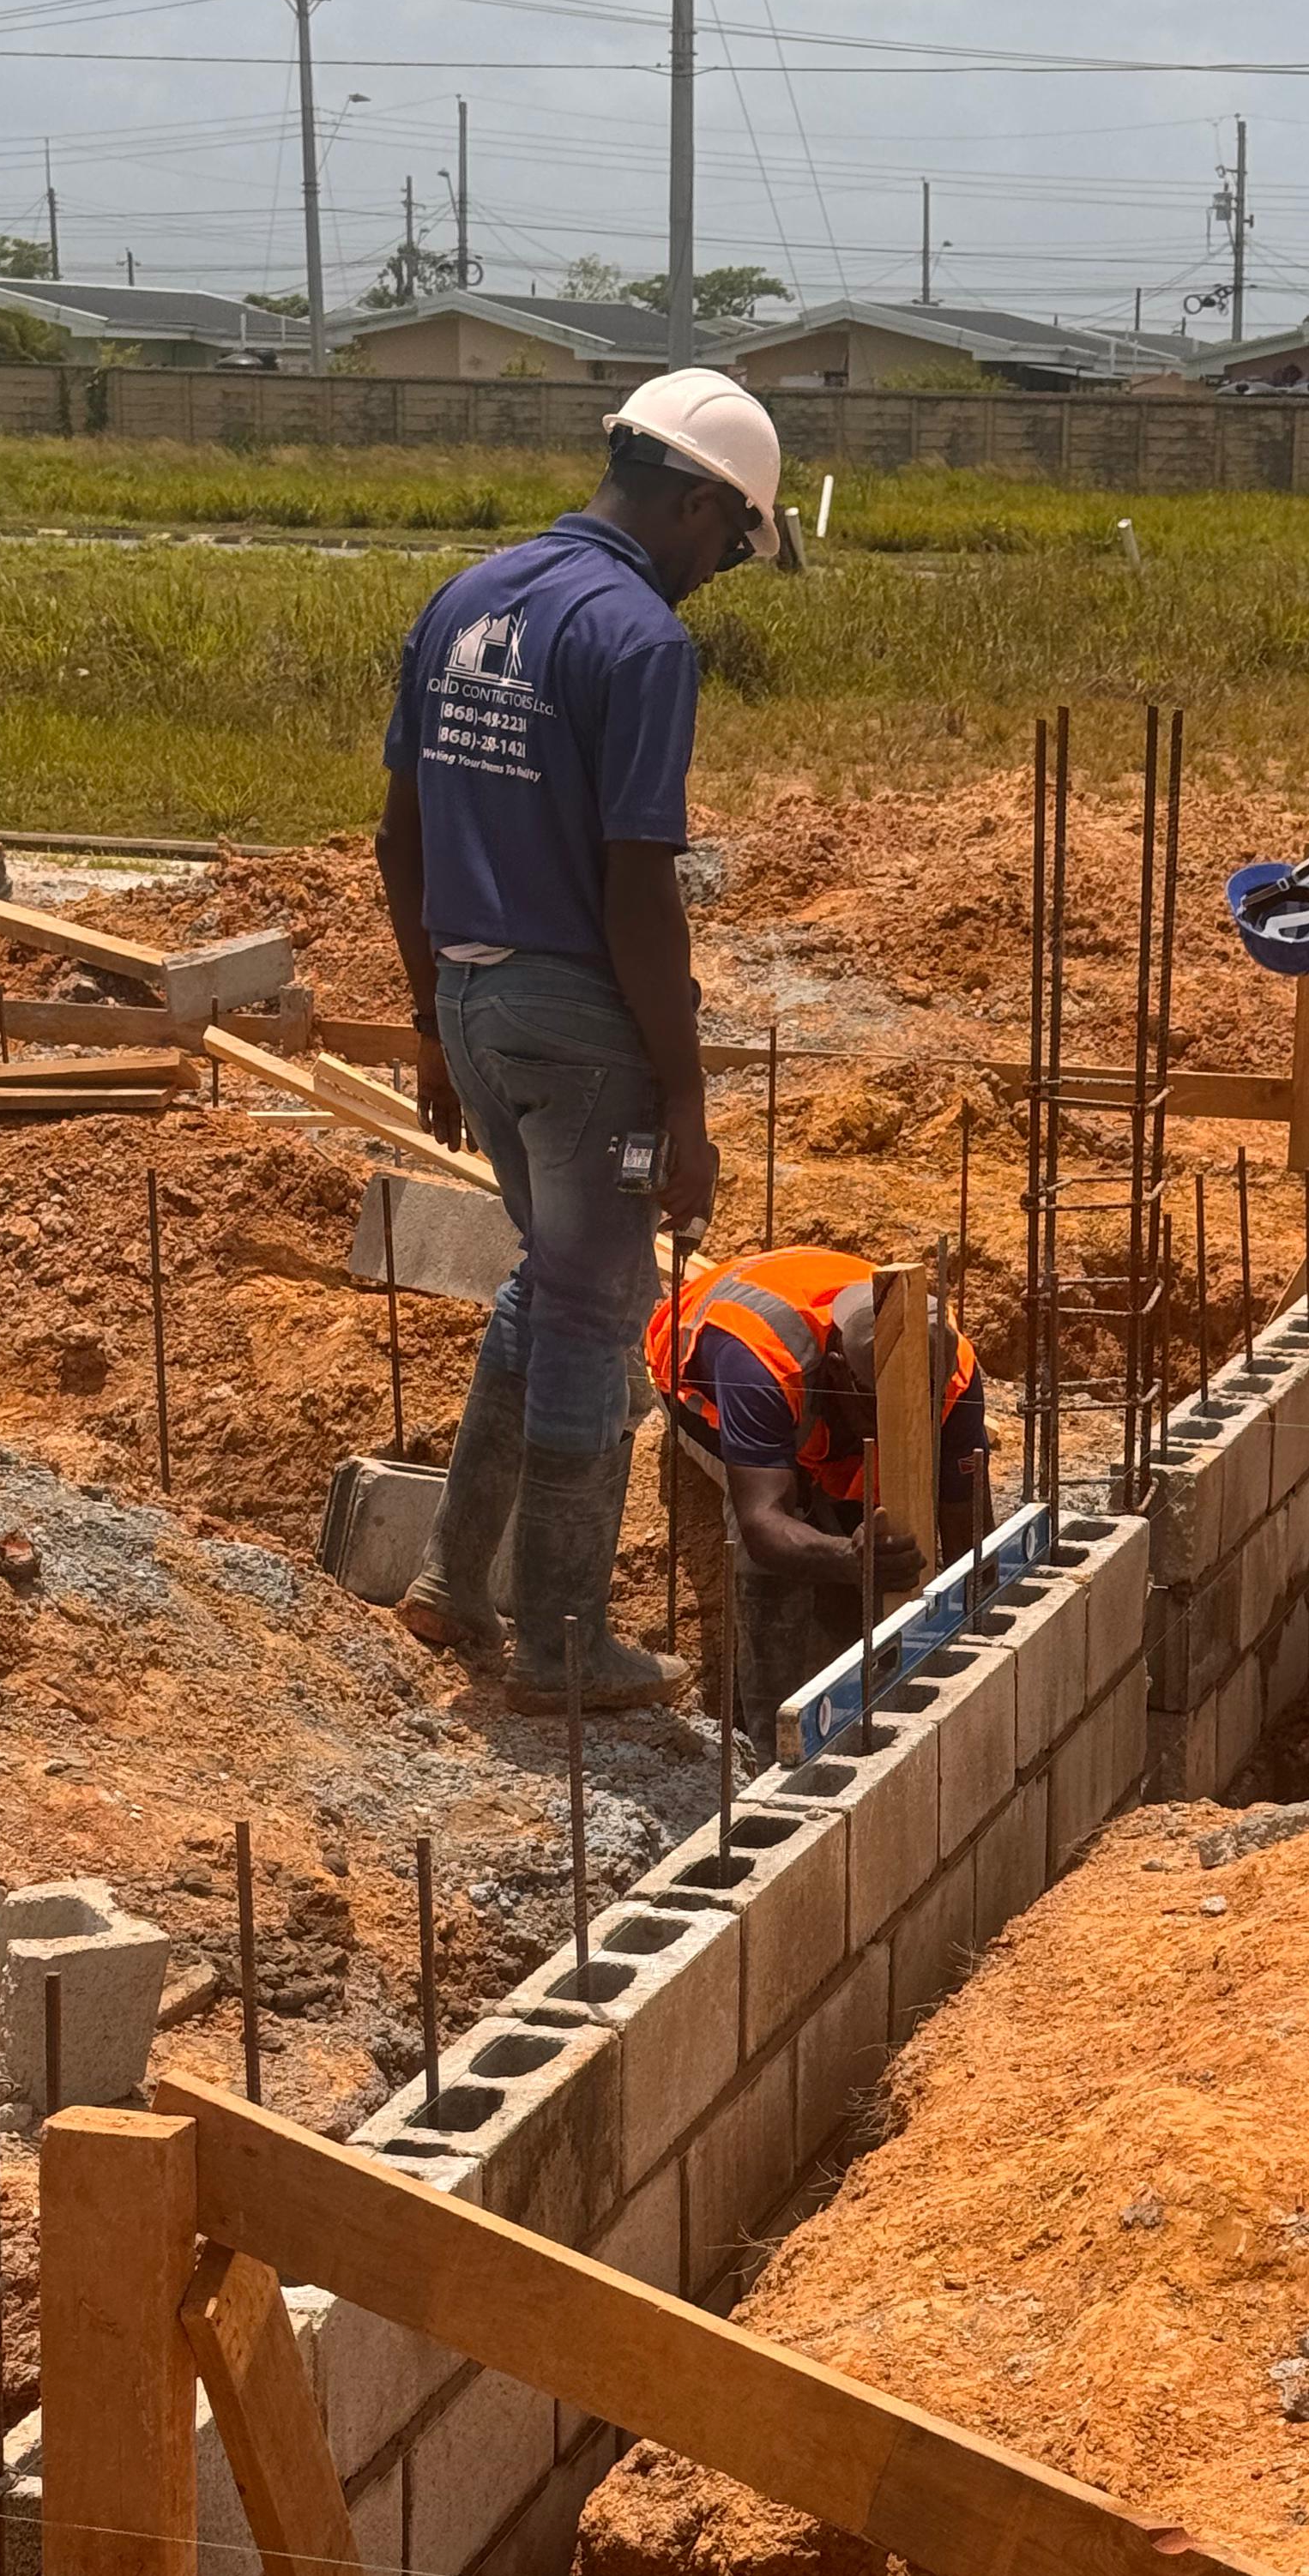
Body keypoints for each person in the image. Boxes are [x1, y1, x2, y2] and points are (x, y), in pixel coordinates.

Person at [372, 365, 785, 1708]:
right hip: (582, 1035)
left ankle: (453, 1585)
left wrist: (432, 1026)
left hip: (476, 1009)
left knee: (549, 1287)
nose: (724, 566)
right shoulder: (643, 642)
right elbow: (635, 886)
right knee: (598, 1318)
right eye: (734, 537)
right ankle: (557, 1642)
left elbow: (400, 835)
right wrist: (683, 1099)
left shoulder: (464, 596)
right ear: (695, 499)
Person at [646, 1248, 990, 1746]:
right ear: (836, 1372)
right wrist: (847, 1559)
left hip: (807, 1340)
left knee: (862, 1524)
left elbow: (969, 1529)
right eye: (879, 1411)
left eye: (919, 1411)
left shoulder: (949, 1367)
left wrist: (973, 1637)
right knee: (782, 1541)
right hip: (700, 1382)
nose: (900, 1430)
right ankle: (769, 1742)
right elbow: (763, 1524)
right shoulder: (762, 1364)